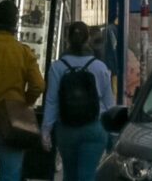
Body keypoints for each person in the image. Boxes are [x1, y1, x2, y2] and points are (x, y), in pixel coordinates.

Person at [0, 1, 47, 181]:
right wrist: (25, 102)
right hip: (14, 122)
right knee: (11, 174)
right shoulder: (23, 52)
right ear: (14, 26)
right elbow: (38, 85)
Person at [43, 22, 115, 181]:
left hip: (66, 129)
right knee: (87, 175)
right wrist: (113, 133)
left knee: (70, 174)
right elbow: (109, 104)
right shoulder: (99, 67)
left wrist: (45, 131)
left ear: (67, 40)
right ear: (87, 39)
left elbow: (52, 101)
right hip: (94, 128)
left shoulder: (57, 67)